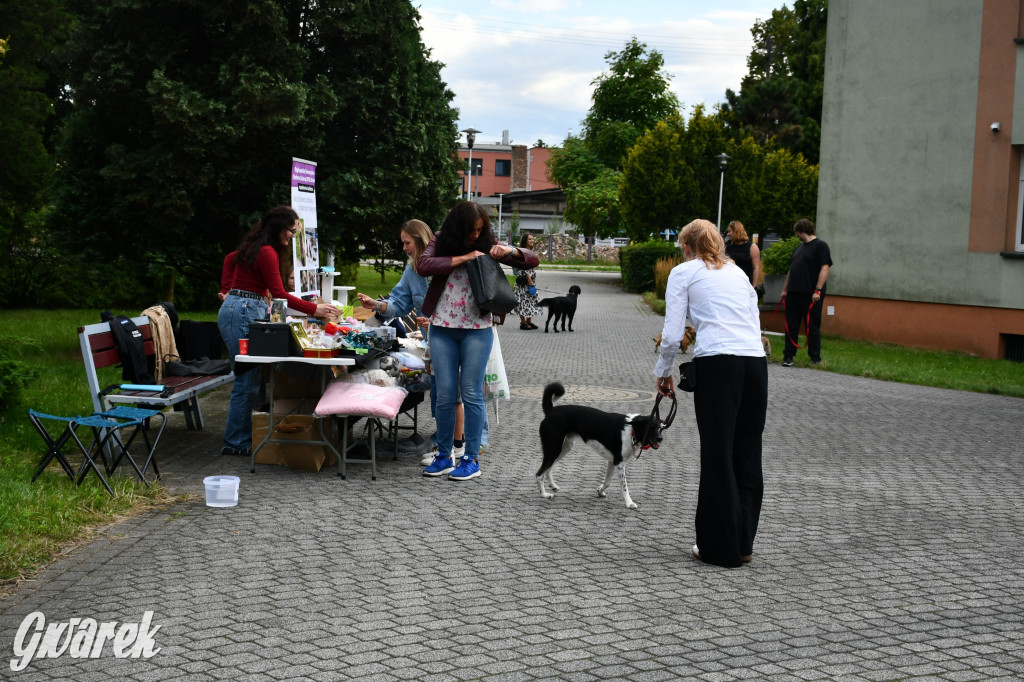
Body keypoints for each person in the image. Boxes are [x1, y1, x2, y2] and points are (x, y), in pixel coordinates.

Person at [655, 218, 767, 568]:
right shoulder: (737, 273)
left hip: (719, 364)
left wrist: (663, 372)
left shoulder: (684, 272)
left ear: (686, 247)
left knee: (718, 454)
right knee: (747, 452)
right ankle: (743, 544)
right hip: (755, 364)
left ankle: (718, 548)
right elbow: (754, 321)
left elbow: (672, 335)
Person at [417, 201, 538, 481]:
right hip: (443, 327)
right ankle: (445, 456)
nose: (475, 235)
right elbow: (423, 265)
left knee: (471, 393)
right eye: (471, 230)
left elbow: (532, 259)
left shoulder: (487, 242)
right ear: (458, 228)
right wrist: (465, 257)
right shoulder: (441, 239)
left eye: (479, 230)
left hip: (477, 328)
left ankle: (471, 459)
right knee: (445, 395)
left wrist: (510, 250)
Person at [217, 206, 338, 457]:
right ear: (278, 228)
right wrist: (315, 309)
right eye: (291, 230)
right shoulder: (267, 252)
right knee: (246, 378)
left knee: (251, 378)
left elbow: (231, 258)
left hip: (242, 308)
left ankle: (244, 437)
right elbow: (281, 294)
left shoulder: (257, 247)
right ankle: (235, 443)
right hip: (243, 311)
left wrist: (230, 289)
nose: (293, 236)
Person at [781, 218, 832, 366]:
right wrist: (785, 290)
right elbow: (792, 270)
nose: (797, 235)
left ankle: (815, 357)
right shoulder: (799, 247)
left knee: (812, 326)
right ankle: (788, 356)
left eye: (797, 232)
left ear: (802, 231)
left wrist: (818, 290)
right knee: (791, 325)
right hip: (793, 293)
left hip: (811, 295)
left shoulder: (820, 246)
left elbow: (825, 267)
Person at [512, 233, 541, 330]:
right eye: (530, 239)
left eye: (533, 239)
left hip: (530, 279)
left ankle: (529, 321)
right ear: (525, 241)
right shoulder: (522, 252)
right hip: (524, 280)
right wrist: (530, 281)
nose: (532, 240)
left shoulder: (530, 251)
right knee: (522, 301)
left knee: (531, 299)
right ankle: (523, 322)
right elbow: (524, 267)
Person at [725, 220, 761, 289]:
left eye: (729, 232)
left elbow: (756, 268)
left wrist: (754, 287)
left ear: (736, 232)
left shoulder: (752, 247)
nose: (727, 234)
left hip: (746, 284)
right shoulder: (727, 247)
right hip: (730, 284)